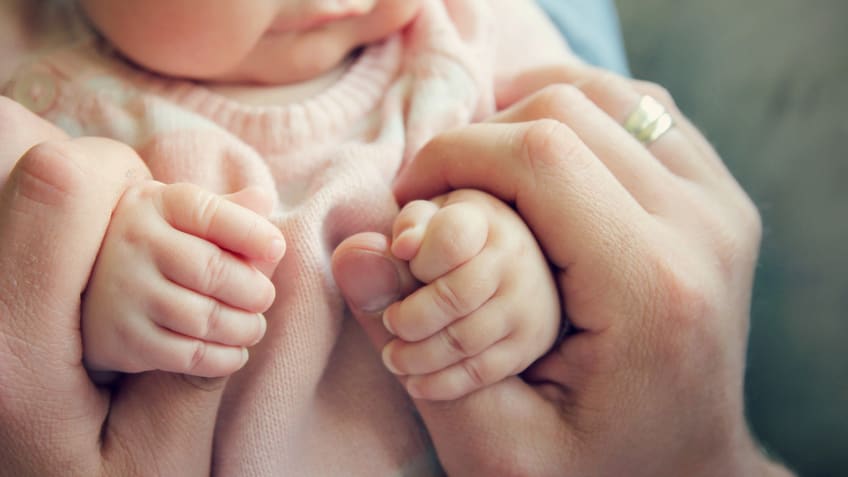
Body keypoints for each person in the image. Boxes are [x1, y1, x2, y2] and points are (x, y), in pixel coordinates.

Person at [0, 2, 795, 477]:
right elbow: (24, 303)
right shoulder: (27, 65)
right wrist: (98, 306)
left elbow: (607, 233)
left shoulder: (473, 32)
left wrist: (512, 271)